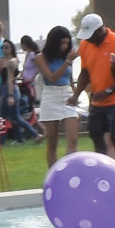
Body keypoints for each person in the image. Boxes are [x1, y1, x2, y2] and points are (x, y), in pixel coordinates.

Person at [74, 12, 115, 166]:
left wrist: (108, 91)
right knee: (95, 133)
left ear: (100, 30)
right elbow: (85, 72)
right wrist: (76, 94)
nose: (88, 39)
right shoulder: (85, 45)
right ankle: (102, 168)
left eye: (91, 35)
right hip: (98, 100)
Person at [35, 26, 82, 165]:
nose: (65, 46)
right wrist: (67, 61)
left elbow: (70, 79)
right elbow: (51, 78)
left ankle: (71, 172)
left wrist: (76, 97)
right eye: (62, 43)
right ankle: (53, 175)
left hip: (67, 95)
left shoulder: (66, 57)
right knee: (52, 141)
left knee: (73, 139)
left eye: (67, 43)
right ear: (54, 42)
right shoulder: (40, 57)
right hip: (51, 95)